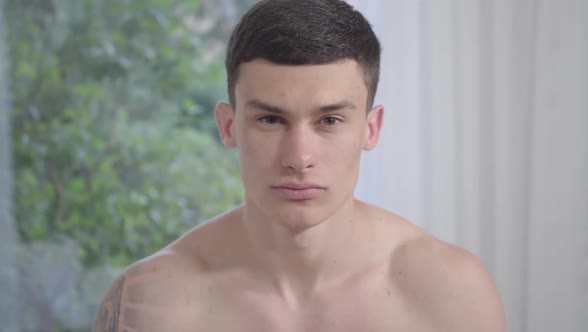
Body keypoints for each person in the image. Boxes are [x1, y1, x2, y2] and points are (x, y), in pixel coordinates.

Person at [93, 0, 506, 331]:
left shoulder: (450, 293)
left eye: (329, 121)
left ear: (371, 128)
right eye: (270, 120)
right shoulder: (148, 304)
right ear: (228, 125)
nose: (298, 158)